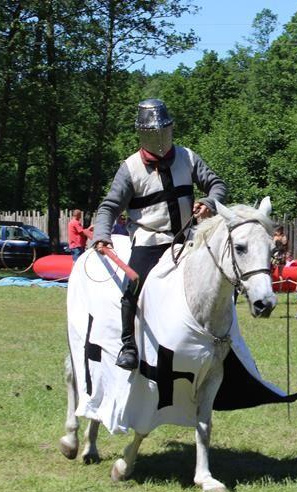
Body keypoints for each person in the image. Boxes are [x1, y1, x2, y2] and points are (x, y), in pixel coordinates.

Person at [92, 98, 227, 371]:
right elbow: (109, 207)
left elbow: (216, 184)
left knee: (219, 278)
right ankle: (128, 345)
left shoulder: (188, 157)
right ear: (142, 133)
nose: (159, 137)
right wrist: (101, 233)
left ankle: (223, 341)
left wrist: (210, 202)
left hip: (188, 240)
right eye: (152, 132)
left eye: (163, 130)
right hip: (149, 240)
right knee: (134, 286)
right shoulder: (129, 168)